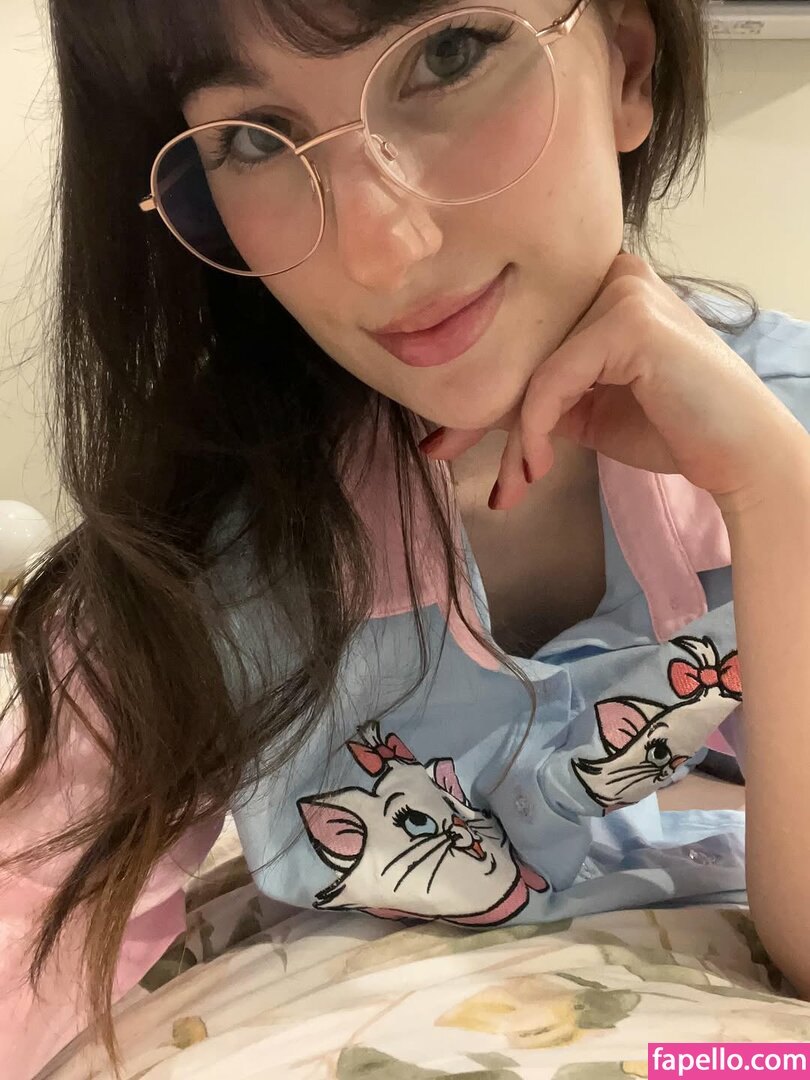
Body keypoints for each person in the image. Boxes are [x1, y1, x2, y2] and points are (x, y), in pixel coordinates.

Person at [2, 0, 809, 1073]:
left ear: (625, 61)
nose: (381, 249)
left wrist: (777, 503)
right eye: (256, 139)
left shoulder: (782, 426)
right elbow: (27, 917)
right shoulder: (201, 549)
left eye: (449, 54)